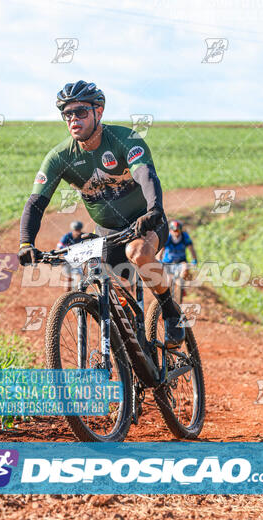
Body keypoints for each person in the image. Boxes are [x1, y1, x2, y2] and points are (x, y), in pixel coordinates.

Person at [18, 80, 184, 347]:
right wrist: (26, 242)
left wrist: (154, 210)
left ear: (99, 111)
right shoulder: (59, 157)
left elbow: (145, 174)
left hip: (145, 222)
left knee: (138, 253)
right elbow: (36, 202)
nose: (73, 119)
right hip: (107, 232)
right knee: (96, 272)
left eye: (81, 112)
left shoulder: (123, 139)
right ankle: (129, 339)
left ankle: (170, 310)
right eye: (67, 114)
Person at [56, 220, 84, 291]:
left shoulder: (83, 236)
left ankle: (77, 293)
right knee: (68, 279)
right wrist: (58, 258)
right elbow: (58, 249)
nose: (77, 232)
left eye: (79, 230)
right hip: (66, 259)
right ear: (73, 230)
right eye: (76, 230)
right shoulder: (66, 237)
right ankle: (67, 297)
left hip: (77, 260)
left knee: (79, 278)